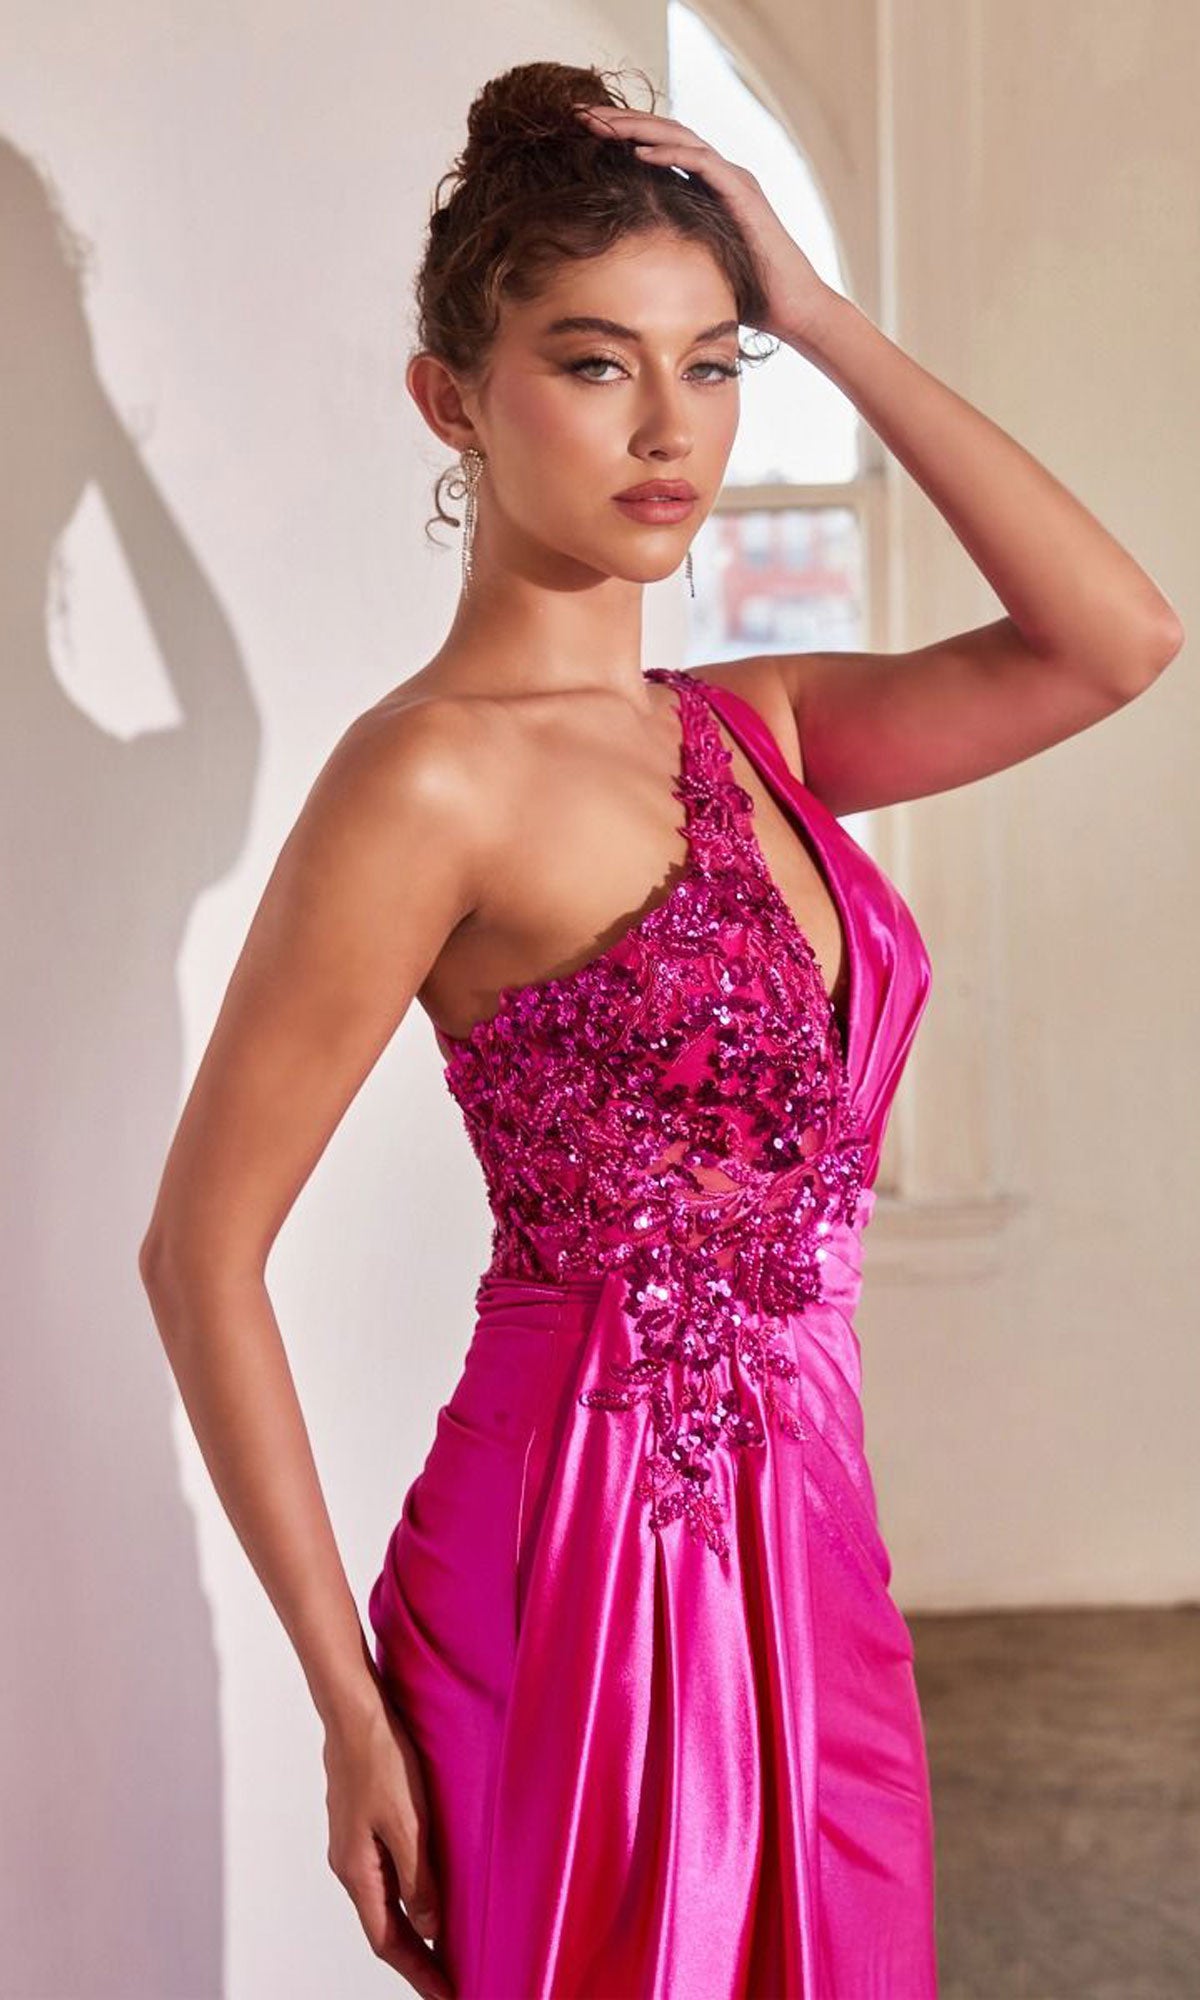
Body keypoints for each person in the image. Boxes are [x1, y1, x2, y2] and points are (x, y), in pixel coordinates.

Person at [138, 58, 1183, 2000]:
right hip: (578, 1569)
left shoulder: (755, 729)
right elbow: (200, 1251)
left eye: (714, 365)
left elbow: (1115, 639)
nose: (668, 427)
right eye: (596, 363)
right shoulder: (425, 782)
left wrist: (821, 312)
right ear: (452, 398)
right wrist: (346, 1708)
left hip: (819, 1551)